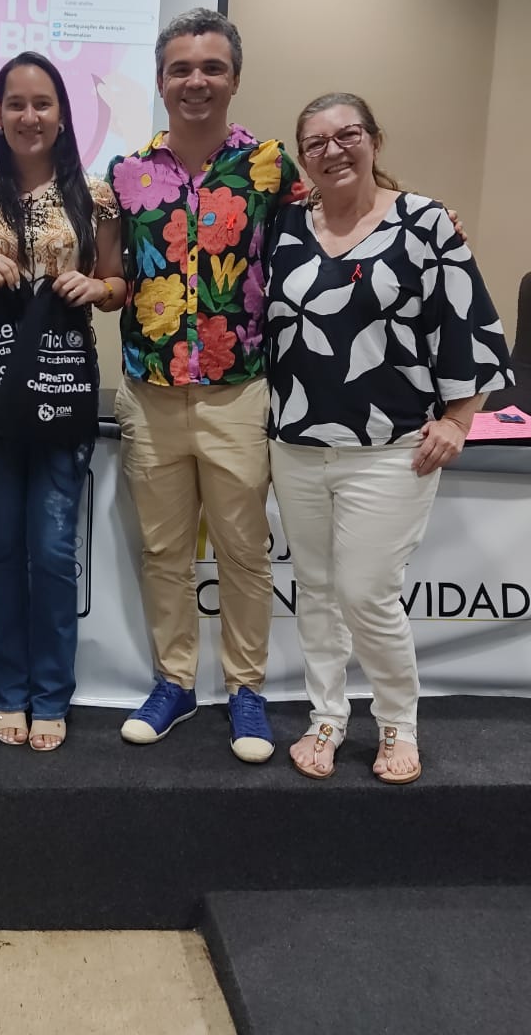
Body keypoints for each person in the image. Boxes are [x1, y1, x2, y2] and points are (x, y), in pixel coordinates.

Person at [266, 92, 513, 783]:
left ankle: (398, 721)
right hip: (295, 444)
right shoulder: (283, 228)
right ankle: (326, 715)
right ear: (302, 159)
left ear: (375, 139)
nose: (333, 150)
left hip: (391, 448)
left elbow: (469, 323)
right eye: (315, 143)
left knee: (366, 592)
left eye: (347, 134)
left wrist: (458, 420)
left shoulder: (425, 222)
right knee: (316, 590)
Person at [108, 8, 304, 761]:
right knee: (164, 551)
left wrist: (420, 215)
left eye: (212, 68)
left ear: (234, 78)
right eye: (181, 68)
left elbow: (338, 225)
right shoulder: (124, 175)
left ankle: (247, 690)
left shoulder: (272, 168)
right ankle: (176, 683)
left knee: (243, 551)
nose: (197, 81)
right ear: (160, 80)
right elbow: (107, 271)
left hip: (239, 390)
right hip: (150, 393)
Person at [0, 51, 125, 751]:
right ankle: (8, 690)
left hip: (61, 386)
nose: (30, 116)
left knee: (52, 551)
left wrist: (97, 287)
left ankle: (52, 693)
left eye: (43, 103)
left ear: (62, 114)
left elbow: (118, 284)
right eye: (15, 104)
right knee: (1, 548)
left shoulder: (96, 195)